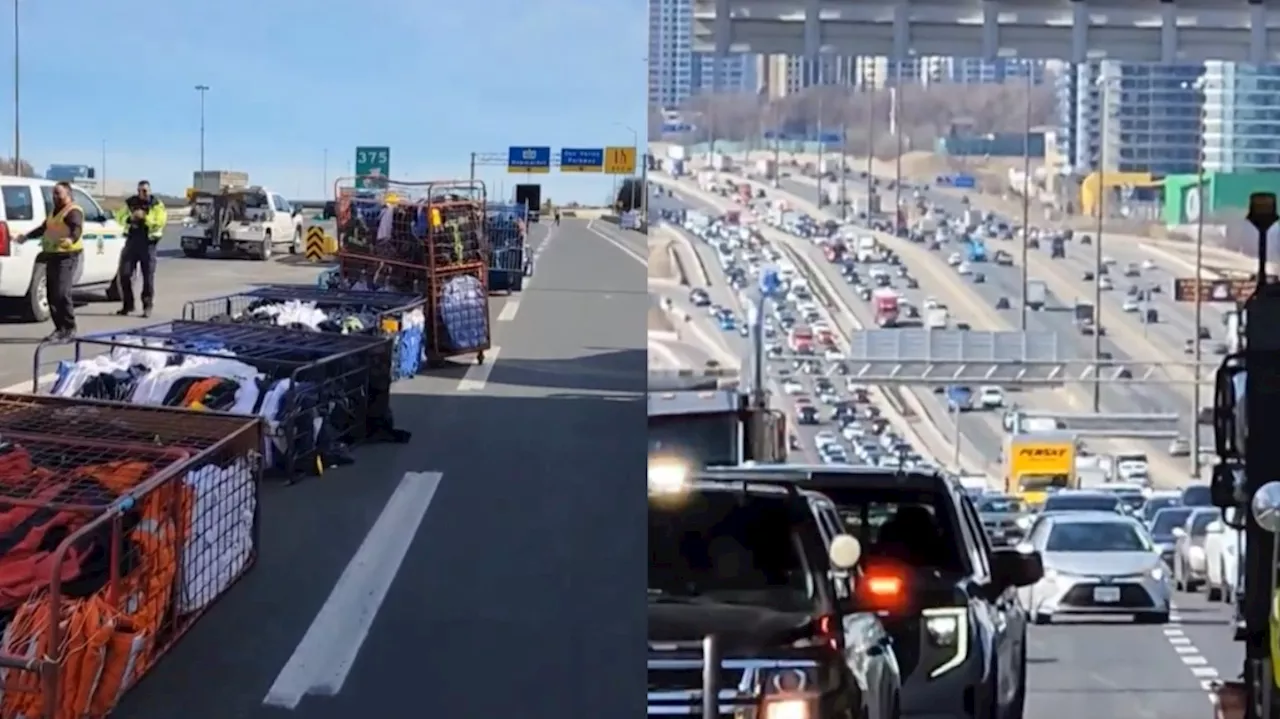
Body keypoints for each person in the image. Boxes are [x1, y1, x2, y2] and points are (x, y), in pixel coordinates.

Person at [14, 182, 83, 341]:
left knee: (61, 292)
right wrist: (26, 237)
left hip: (67, 255)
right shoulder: (54, 212)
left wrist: (71, 239)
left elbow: (76, 229)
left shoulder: (73, 211)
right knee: (52, 294)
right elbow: (43, 228)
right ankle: (60, 329)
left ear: (68, 194)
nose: (55, 197)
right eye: (54, 194)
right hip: (53, 255)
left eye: (59, 193)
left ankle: (70, 328)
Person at [113, 180, 168, 317]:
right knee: (124, 274)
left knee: (148, 276)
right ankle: (128, 305)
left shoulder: (156, 204)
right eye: (139, 191)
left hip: (148, 243)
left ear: (149, 191)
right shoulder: (131, 202)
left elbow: (160, 222)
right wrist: (130, 218)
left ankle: (147, 306)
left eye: (144, 191)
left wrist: (144, 217)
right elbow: (119, 217)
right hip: (132, 241)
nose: (141, 193)